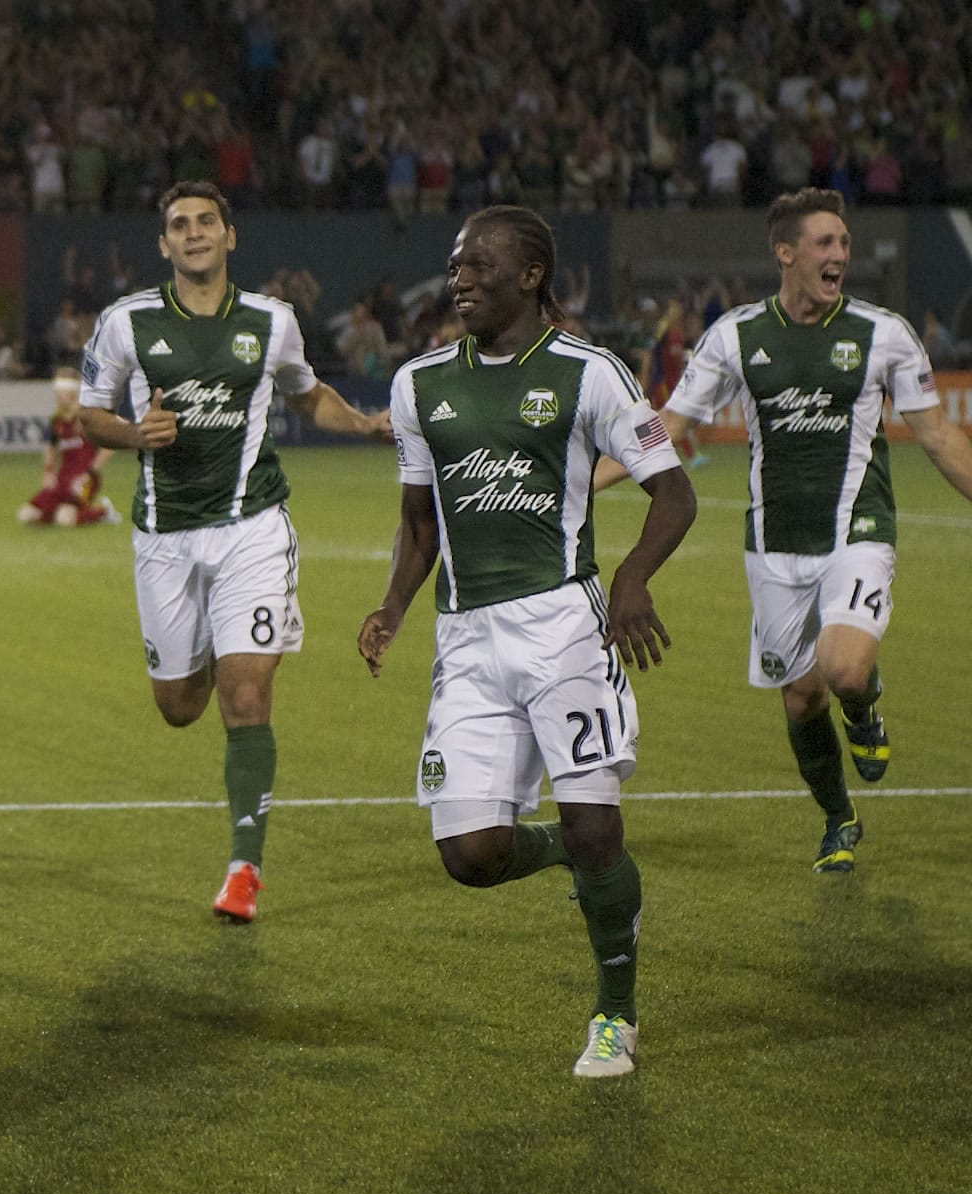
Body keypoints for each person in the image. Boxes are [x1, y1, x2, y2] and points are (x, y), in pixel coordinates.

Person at [357, 204, 697, 1078]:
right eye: (455, 265)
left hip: (565, 632)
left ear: (531, 275)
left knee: (594, 826)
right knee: (470, 857)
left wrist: (630, 580)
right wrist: (394, 602)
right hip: (467, 643)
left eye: (477, 264)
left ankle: (615, 1014)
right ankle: (574, 854)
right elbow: (419, 522)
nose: (458, 278)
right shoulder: (419, 385)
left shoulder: (592, 374)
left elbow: (674, 494)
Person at [76, 180, 388, 923]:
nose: (193, 234)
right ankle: (218, 638)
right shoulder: (126, 322)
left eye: (205, 222)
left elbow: (307, 395)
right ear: (164, 244)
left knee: (246, 694)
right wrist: (132, 434)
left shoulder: (272, 322)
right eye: (178, 225)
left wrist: (366, 424)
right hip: (165, 533)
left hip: (253, 525)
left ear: (229, 235)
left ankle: (244, 869)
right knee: (180, 706)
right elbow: (89, 415)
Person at [640, 188, 972, 872]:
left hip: (858, 527)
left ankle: (865, 705)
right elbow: (668, 428)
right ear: (785, 253)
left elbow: (938, 436)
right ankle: (838, 819)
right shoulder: (735, 336)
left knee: (845, 670)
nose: (840, 255)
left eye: (844, 244)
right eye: (825, 243)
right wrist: (585, 480)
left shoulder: (883, 334)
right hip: (774, 542)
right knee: (800, 697)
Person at [19, 367, 115, 527]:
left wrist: (90, 474)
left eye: (60, 390)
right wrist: (48, 472)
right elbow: (50, 448)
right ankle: (56, 512)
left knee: (65, 519)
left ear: (72, 393)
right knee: (26, 515)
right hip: (62, 479)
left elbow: (109, 446)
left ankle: (103, 512)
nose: (57, 394)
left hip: (84, 480)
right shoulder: (57, 420)